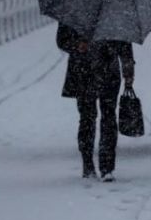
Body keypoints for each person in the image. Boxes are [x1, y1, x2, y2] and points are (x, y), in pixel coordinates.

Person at [56, 24, 134, 181]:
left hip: (107, 71)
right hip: (83, 72)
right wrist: (77, 45)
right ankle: (88, 163)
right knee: (87, 118)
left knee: (108, 117)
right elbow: (62, 40)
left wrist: (128, 70)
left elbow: (124, 42)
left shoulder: (112, 9)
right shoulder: (78, 10)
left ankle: (107, 167)